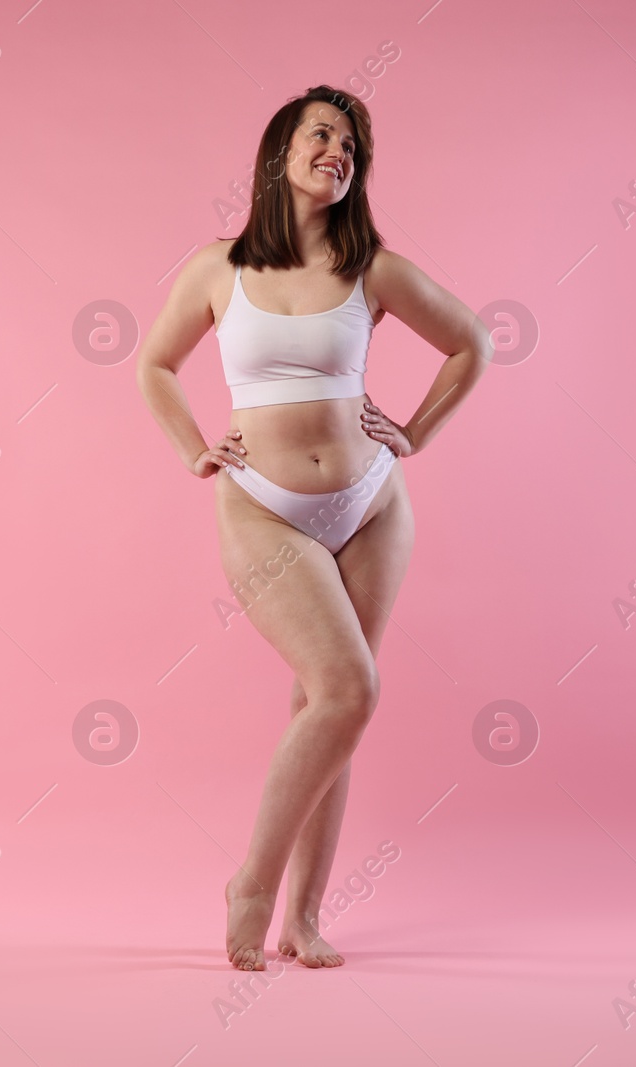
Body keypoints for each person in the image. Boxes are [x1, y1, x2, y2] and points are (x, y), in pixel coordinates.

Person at [136, 85, 491, 970]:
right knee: (346, 689)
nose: (340, 152)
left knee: (330, 706)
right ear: (280, 153)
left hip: (371, 505)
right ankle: (252, 882)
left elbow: (470, 342)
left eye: (354, 147)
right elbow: (154, 362)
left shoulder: (372, 268)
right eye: (323, 136)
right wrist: (193, 448)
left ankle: (304, 916)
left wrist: (415, 429)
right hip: (263, 503)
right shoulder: (218, 267)